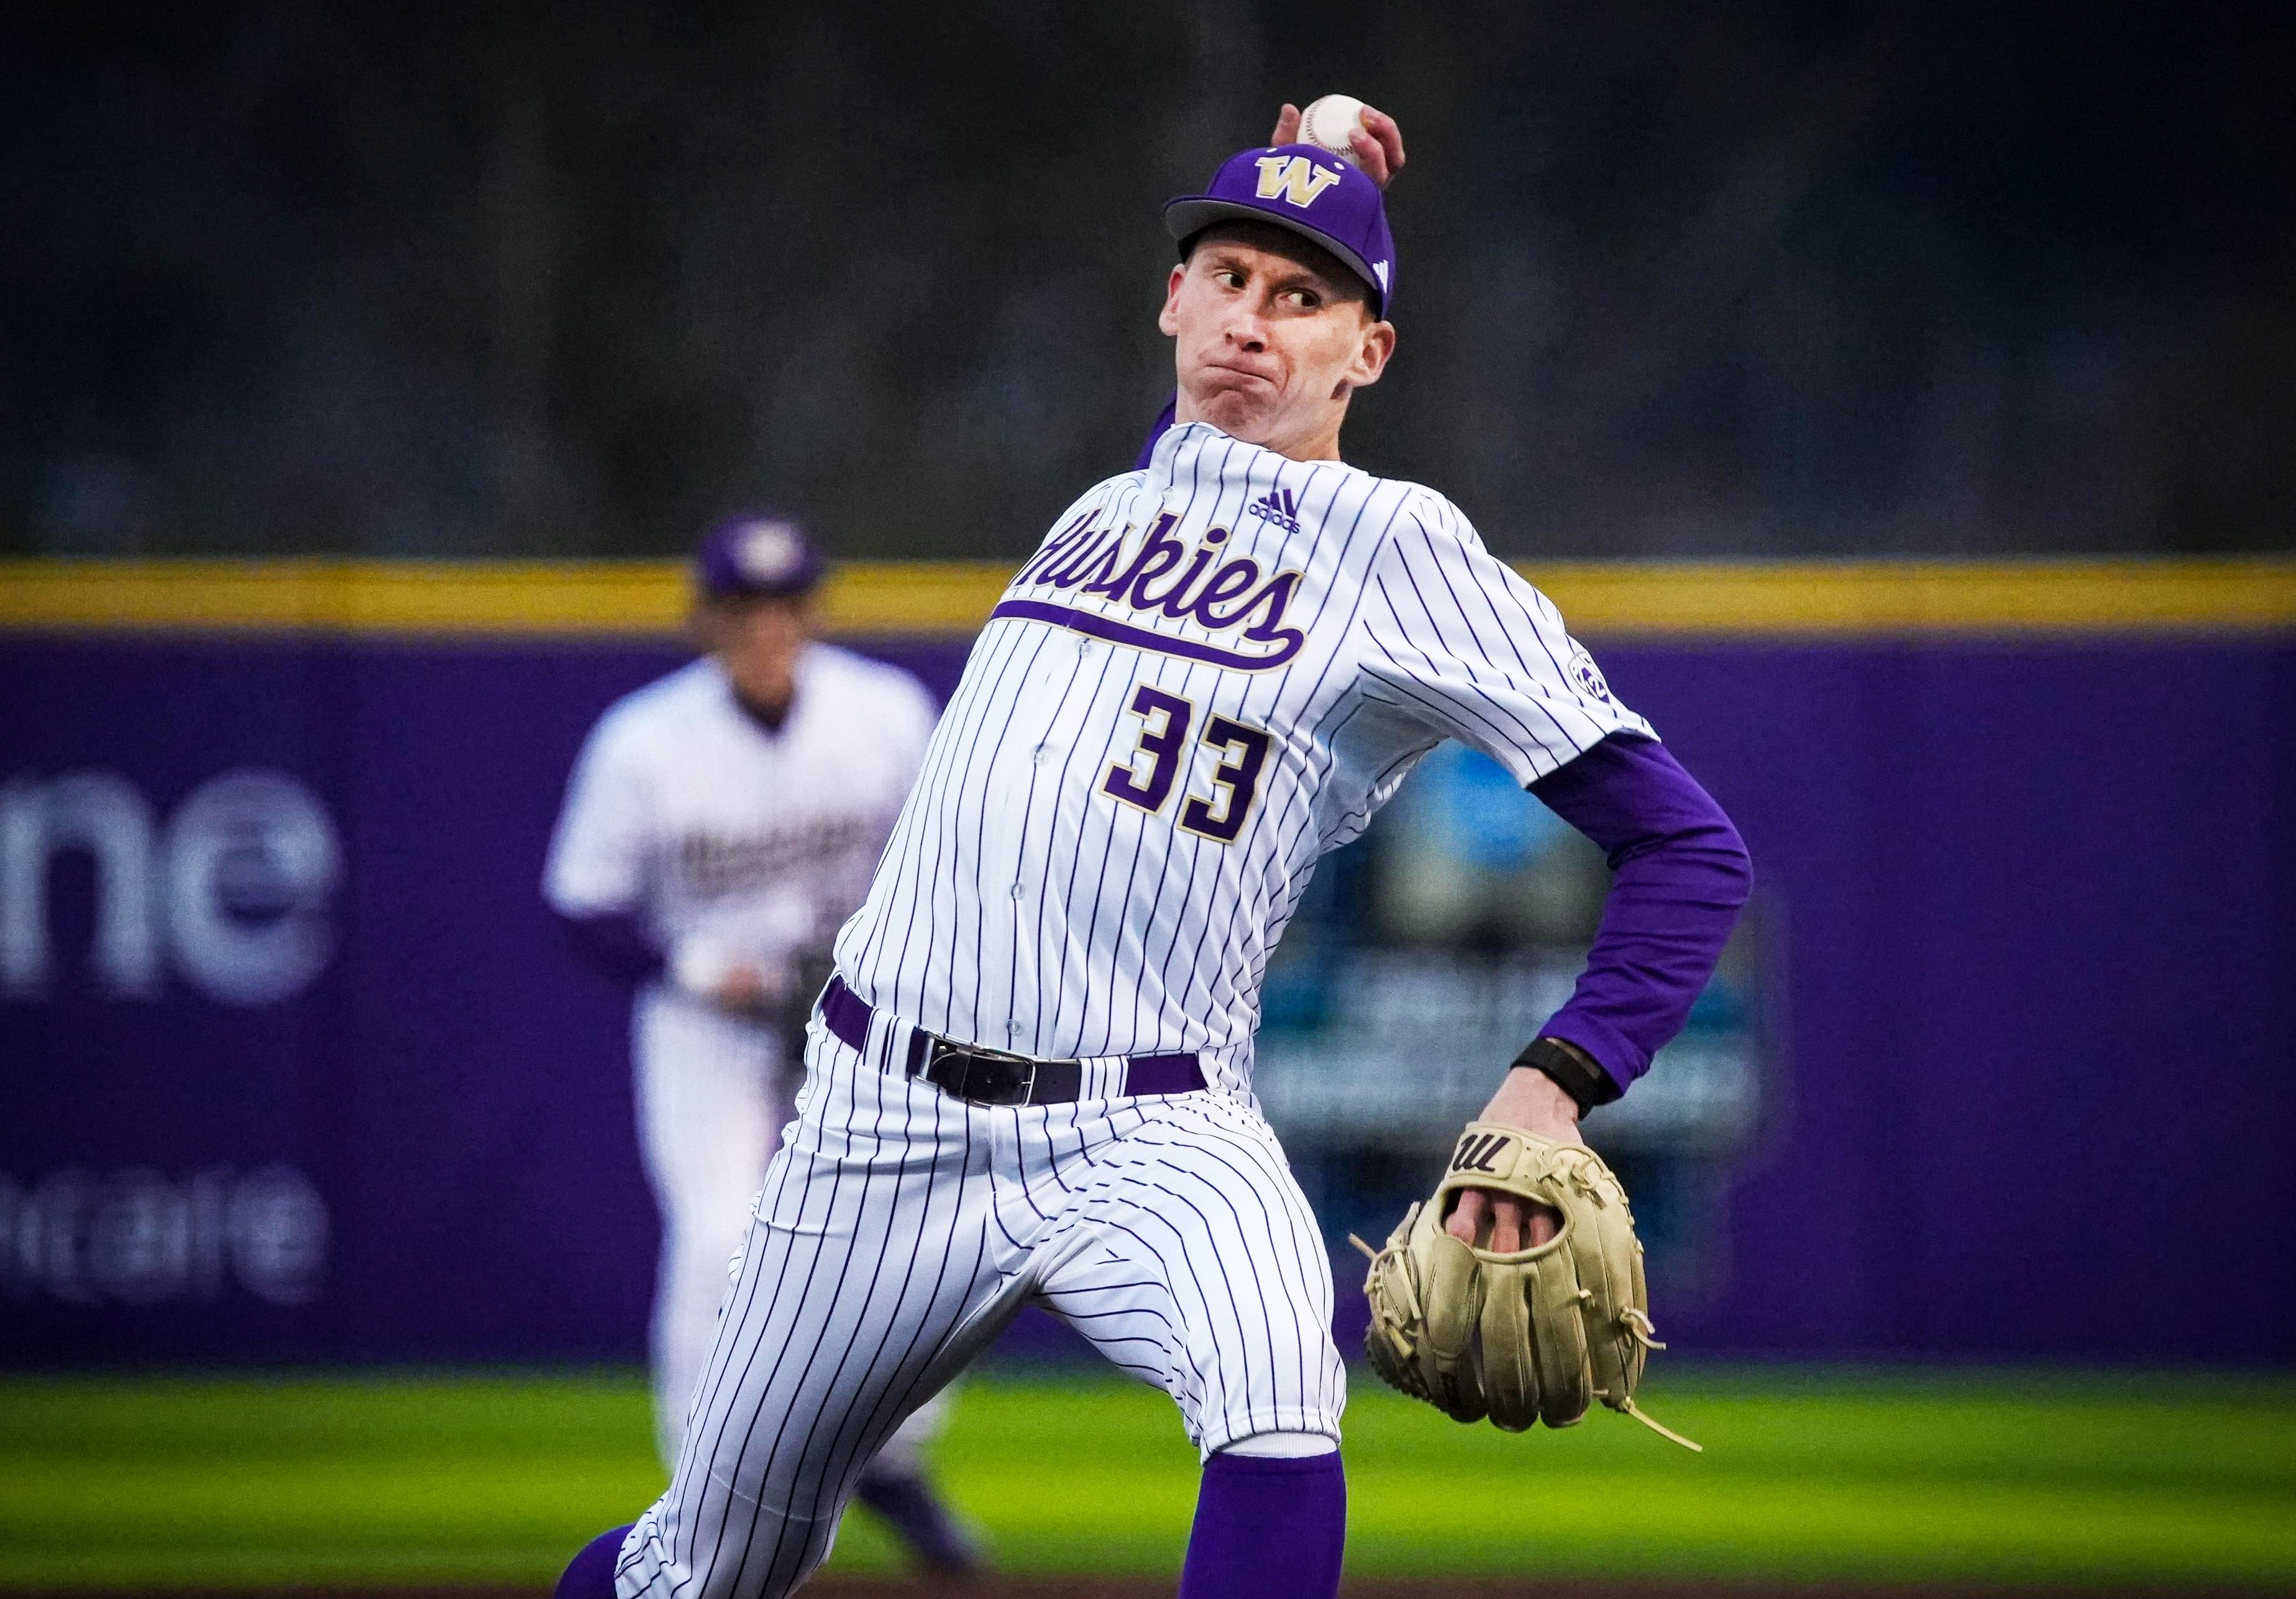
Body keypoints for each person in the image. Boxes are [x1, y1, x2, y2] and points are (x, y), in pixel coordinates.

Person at [556, 102, 1750, 1599]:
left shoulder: (1399, 552)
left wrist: (1556, 1086)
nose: (1255, 321)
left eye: (1305, 297)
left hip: (1154, 1129)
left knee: (1275, 1387)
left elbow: (1689, 849)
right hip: (873, 1117)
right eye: (1231, 279)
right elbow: (1209, 459)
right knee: (703, 1562)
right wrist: (1317, 149)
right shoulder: (1123, 496)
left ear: (1367, 354)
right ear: (1172, 299)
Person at [542, 515, 979, 1579]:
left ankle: (893, 1460)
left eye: (787, 607)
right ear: (707, 619)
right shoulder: (643, 740)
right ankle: (699, 1501)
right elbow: (580, 904)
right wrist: (698, 968)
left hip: (859, 1017)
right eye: (744, 610)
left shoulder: (882, 712)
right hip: (711, 1032)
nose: (768, 629)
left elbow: (950, 852)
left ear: (814, 612)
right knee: (716, 1243)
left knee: (930, 1232)